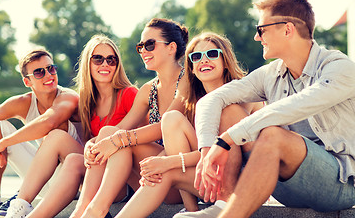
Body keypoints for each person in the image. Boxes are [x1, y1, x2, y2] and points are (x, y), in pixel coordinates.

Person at [183, 0, 355, 218]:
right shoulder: (271, 74)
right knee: (230, 110)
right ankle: (223, 206)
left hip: (340, 185)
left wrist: (228, 138)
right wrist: (207, 149)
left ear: (287, 29)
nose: (257, 37)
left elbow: (297, 105)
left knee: (273, 134)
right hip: (285, 181)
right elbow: (211, 99)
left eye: (261, 29)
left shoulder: (339, 67)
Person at [115, 32, 263, 218]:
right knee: (171, 120)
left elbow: (223, 150)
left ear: (225, 60)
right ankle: (192, 209)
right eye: (196, 57)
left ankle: (222, 206)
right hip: (209, 179)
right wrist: (160, 164)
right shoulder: (196, 102)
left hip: (244, 183)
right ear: (191, 68)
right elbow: (205, 154)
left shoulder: (243, 96)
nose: (204, 60)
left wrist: (167, 162)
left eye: (212, 54)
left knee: (166, 168)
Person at [70, 18, 189, 218]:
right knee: (109, 132)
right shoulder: (147, 90)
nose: (143, 50)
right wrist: (93, 143)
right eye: (140, 46)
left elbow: (164, 126)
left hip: (182, 174)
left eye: (149, 44)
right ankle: (86, 209)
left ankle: (94, 210)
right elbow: (119, 128)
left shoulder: (188, 80)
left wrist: (116, 139)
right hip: (152, 175)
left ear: (171, 48)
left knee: (115, 137)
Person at [19, 34, 138, 218]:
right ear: (88, 64)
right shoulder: (86, 102)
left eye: (111, 59)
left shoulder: (129, 94)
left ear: (117, 64)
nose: (105, 64)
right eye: (98, 59)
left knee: (104, 136)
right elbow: (84, 141)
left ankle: (80, 212)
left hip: (122, 179)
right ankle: (27, 211)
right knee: (63, 145)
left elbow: (143, 137)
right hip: (95, 170)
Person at [0, 49, 80, 216]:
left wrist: (4, 143)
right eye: (40, 72)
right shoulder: (23, 102)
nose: (48, 75)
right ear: (27, 82)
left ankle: (20, 202)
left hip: (73, 177)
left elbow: (49, 122)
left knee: (56, 133)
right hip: (40, 178)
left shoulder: (68, 98)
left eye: (51, 68)